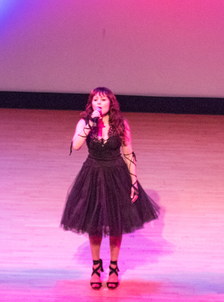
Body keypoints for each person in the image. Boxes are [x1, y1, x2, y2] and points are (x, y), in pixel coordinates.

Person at [61, 87, 159, 289]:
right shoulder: (85, 122)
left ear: (110, 103)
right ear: (91, 103)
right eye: (95, 99)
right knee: (93, 224)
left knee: (116, 223)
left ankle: (113, 267)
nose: (99, 103)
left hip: (116, 175)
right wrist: (91, 123)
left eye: (103, 99)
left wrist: (133, 182)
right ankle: (96, 267)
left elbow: (129, 153)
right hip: (93, 175)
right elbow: (76, 146)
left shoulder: (121, 124)